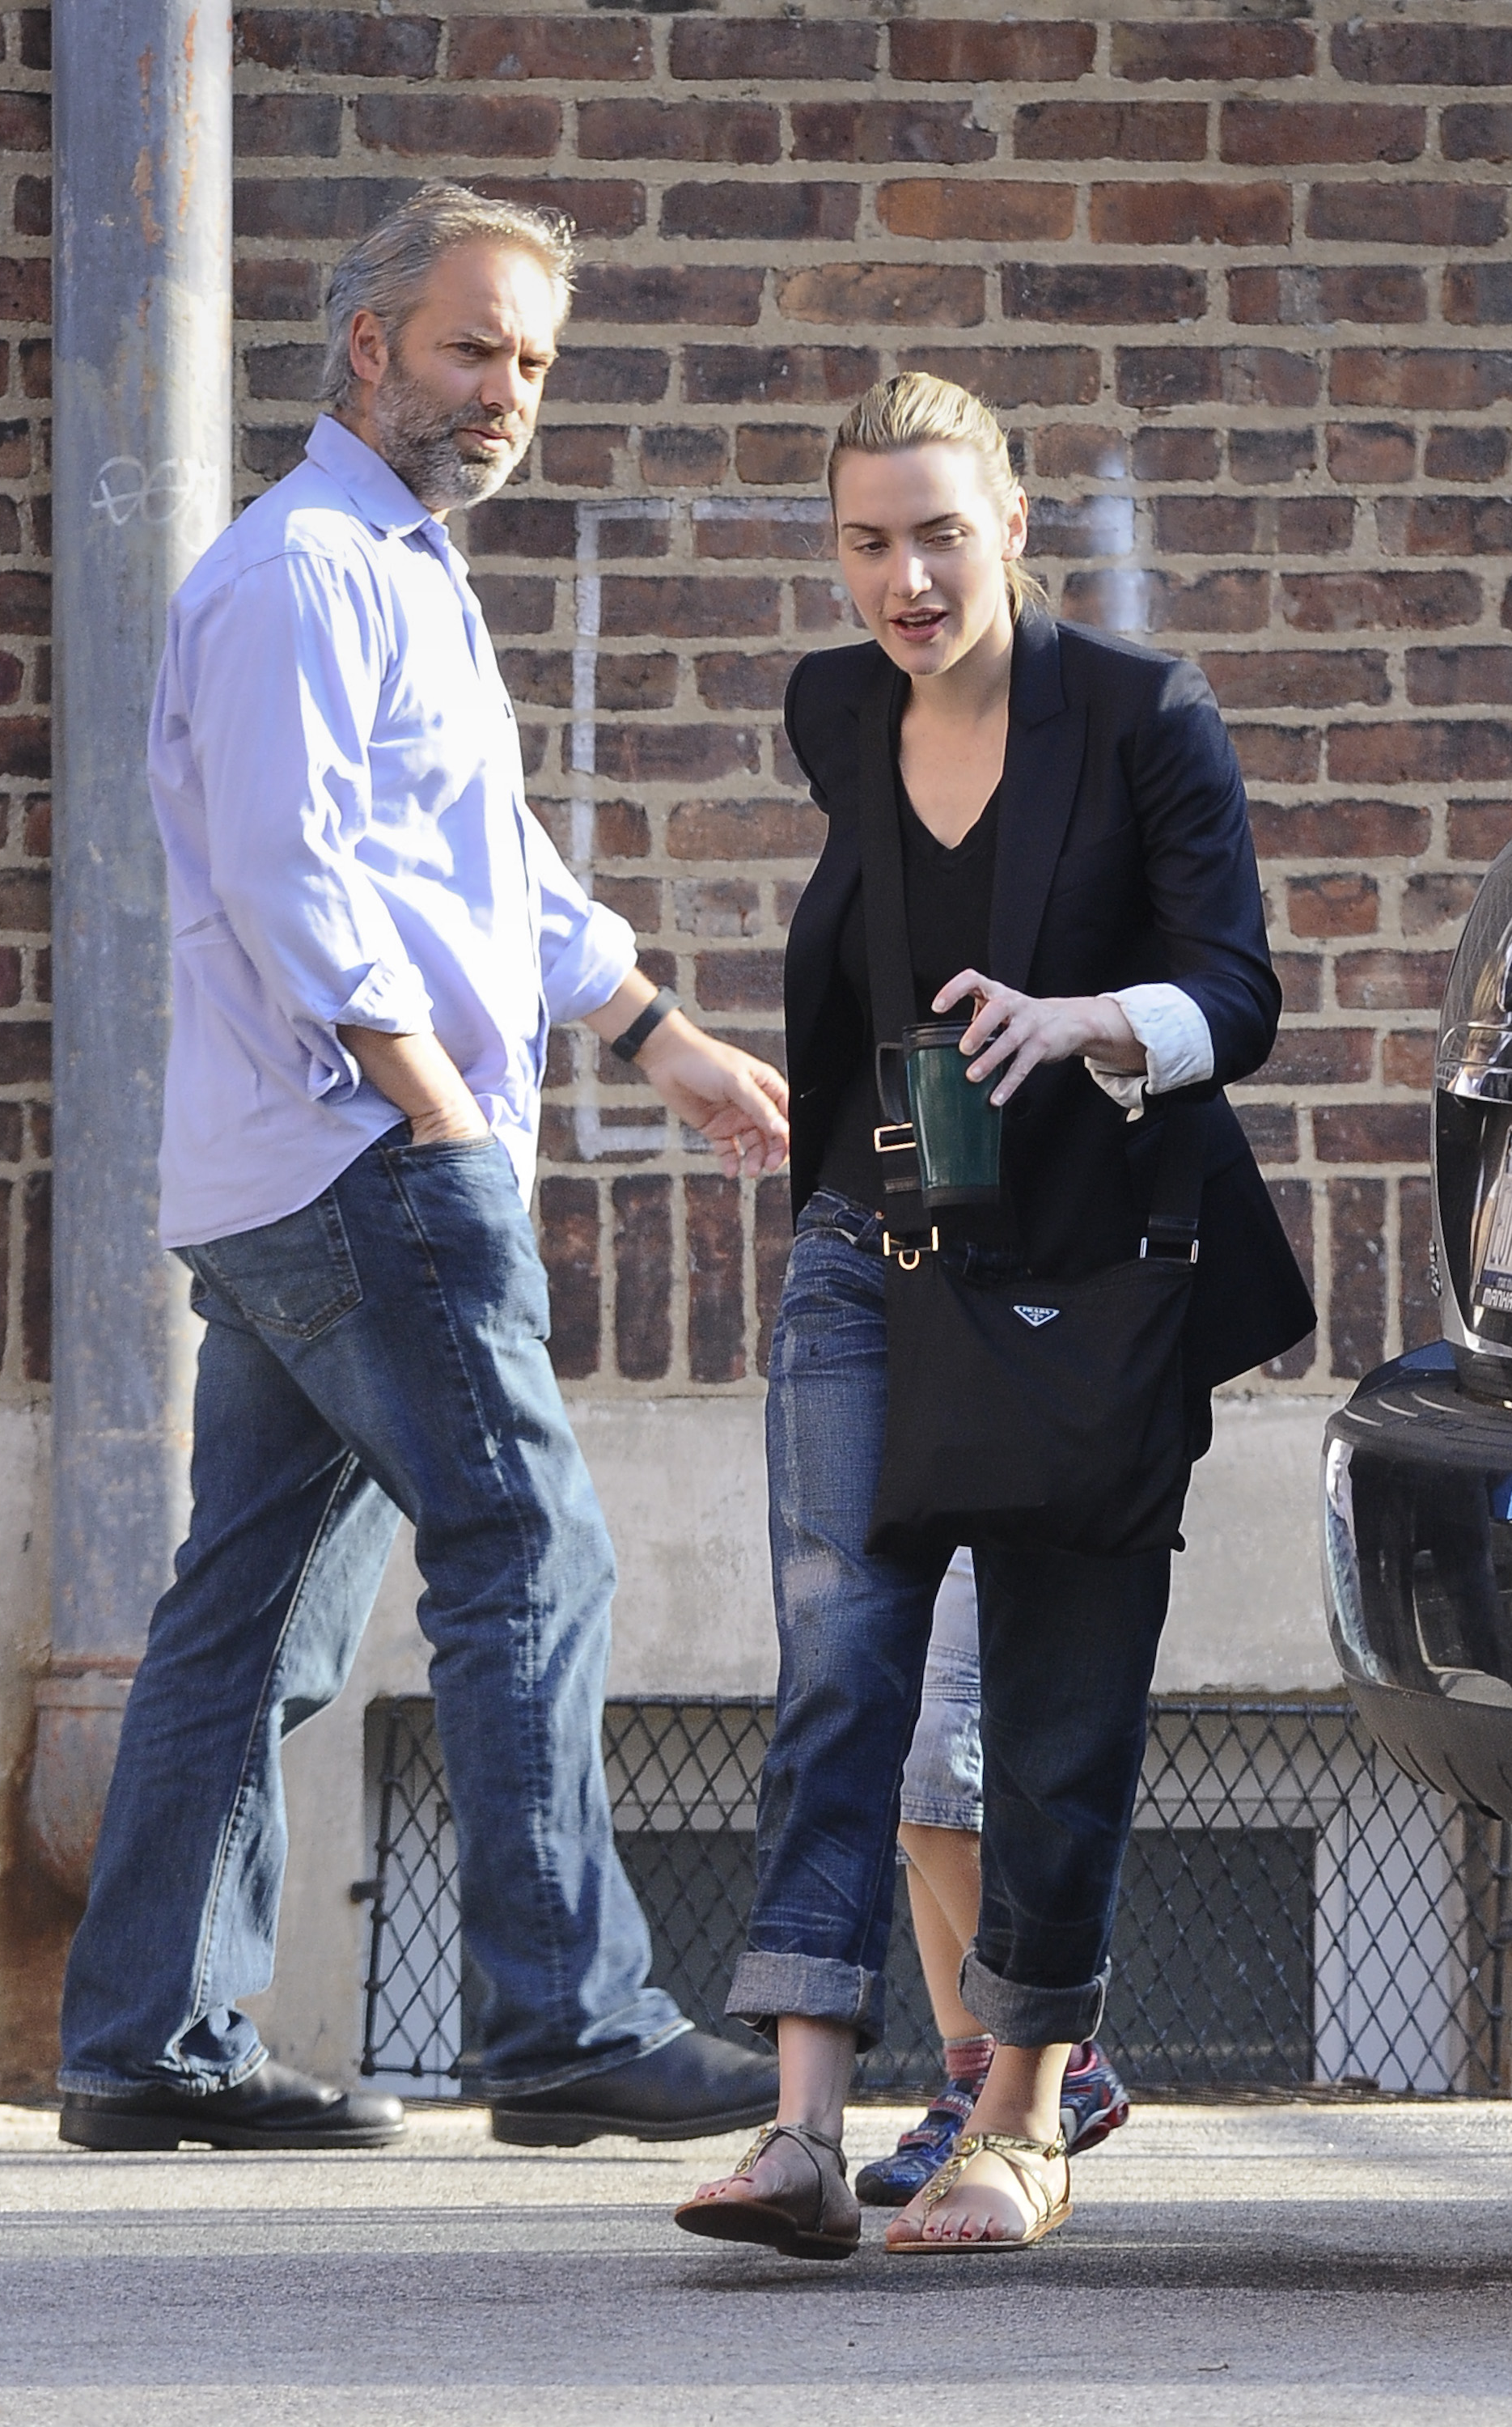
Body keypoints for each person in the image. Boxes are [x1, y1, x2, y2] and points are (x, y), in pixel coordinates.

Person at [57, 182, 790, 2155]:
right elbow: (296, 870)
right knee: (529, 1547)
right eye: (475, 345)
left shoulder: (391, 569)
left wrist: (660, 1029)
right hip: (365, 1160)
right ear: (369, 343)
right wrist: (423, 1093)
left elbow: (489, 875)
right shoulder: (306, 569)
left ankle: (147, 2039)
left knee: (255, 1615)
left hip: (291, 1171)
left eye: (533, 361)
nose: (506, 392)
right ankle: (563, 2021)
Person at [676, 372, 1313, 2259]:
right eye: (866, 539)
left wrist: (1091, 1022)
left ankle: (1019, 2111)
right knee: (842, 1665)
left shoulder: (1137, 714)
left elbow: (1241, 992)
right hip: (874, 1259)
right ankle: (797, 2122)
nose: (905, 576)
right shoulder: (835, 710)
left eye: (941, 532)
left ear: (1015, 523)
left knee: (1051, 1701)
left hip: (1095, 1283)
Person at [851, 1550, 1130, 2209]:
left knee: (933, 1764)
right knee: (912, 1787)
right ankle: (978, 2069)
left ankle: (1057, 2053)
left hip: (1002, 1475)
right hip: (913, 1484)